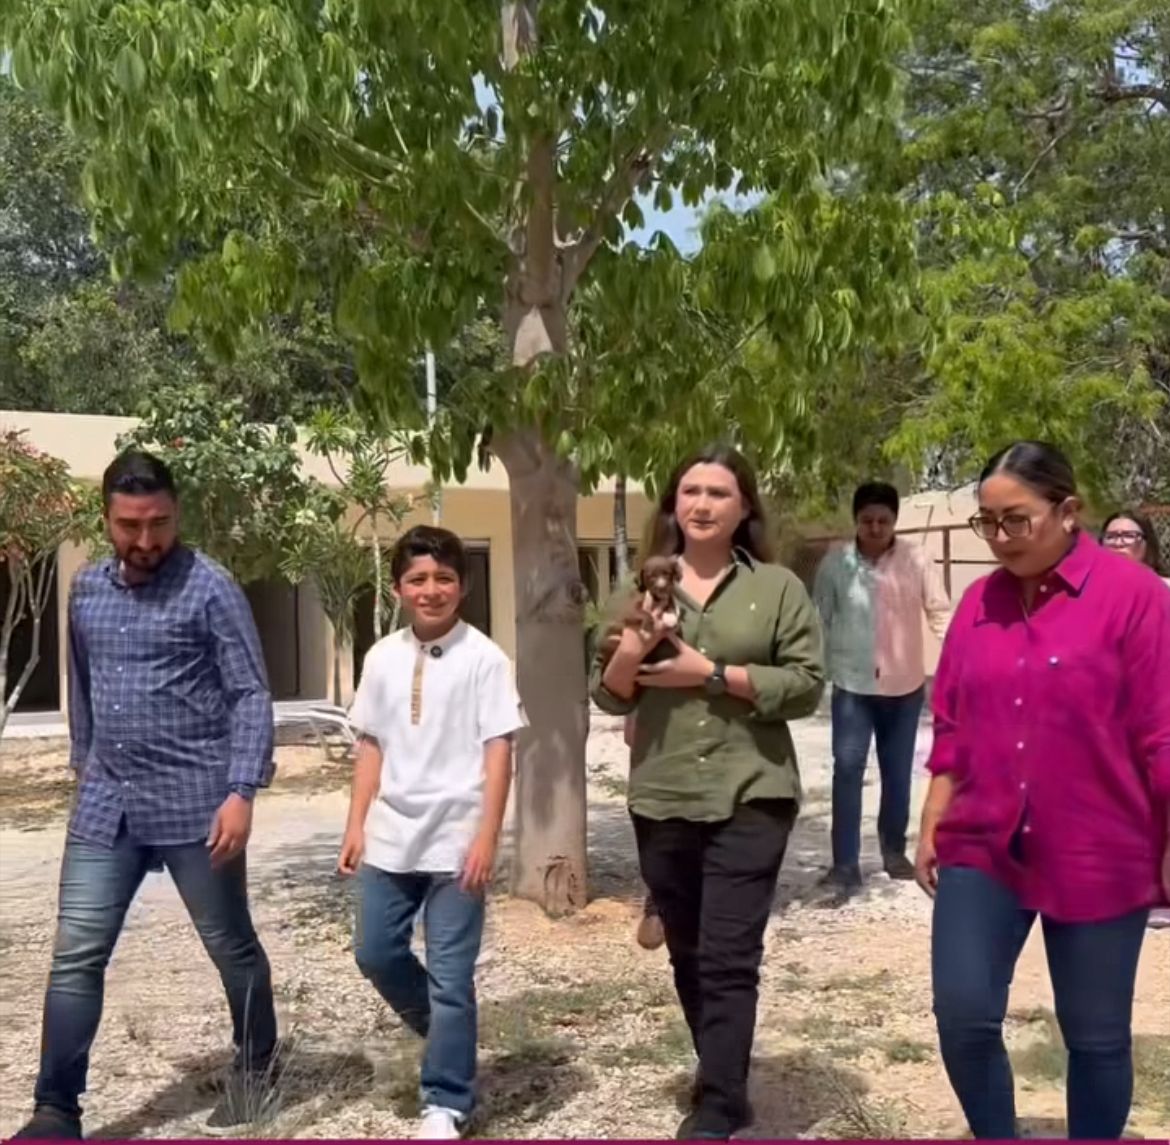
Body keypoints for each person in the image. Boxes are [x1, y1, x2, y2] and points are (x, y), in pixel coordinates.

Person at [14, 451, 278, 1140]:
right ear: (106, 518)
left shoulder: (210, 586)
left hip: (198, 803)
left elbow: (250, 691)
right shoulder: (86, 589)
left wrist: (241, 789)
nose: (145, 539)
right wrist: (82, 761)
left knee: (230, 944)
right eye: (130, 525)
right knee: (76, 952)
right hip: (108, 804)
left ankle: (256, 1067)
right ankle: (55, 1110)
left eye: (159, 523)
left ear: (176, 513)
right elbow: (84, 682)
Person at [915, 442, 1170, 1140]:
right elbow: (953, 720)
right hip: (984, 839)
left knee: (1095, 1034)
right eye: (986, 523)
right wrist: (934, 812)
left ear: (1067, 510)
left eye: (1016, 521)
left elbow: (1162, 728)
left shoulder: (1136, 598)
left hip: (1100, 845)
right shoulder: (977, 604)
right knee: (962, 1012)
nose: (999, 538)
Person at [591, 444, 825, 1140]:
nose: (701, 503)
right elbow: (607, 695)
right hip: (661, 794)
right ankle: (719, 1066)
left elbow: (807, 684)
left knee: (729, 952)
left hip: (753, 789)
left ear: (744, 507)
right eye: (689, 490)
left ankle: (721, 1100)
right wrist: (635, 644)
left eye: (718, 492)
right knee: (687, 950)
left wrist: (712, 672)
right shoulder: (635, 587)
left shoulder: (778, 587)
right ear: (673, 504)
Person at [338, 525, 525, 1140]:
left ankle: (445, 1098)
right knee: (375, 951)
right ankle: (452, 1034)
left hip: (456, 840)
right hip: (391, 835)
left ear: (462, 586)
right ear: (398, 588)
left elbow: (499, 750)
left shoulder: (485, 659)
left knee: (451, 974)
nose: (432, 589)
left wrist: (486, 837)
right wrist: (355, 824)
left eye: (444, 577)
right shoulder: (381, 657)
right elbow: (371, 745)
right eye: (418, 578)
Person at [812, 481, 952, 902]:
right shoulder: (836, 564)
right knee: (848, 770)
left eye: (884, 521)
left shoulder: (917, 559)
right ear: (855, 521)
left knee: (897, 772)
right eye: (867, 520)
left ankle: (894, 853)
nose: (875, 528)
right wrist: (811, 673)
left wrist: (958, 661)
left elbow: (939, 612)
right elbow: (818, 620)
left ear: (895, 521)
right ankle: (845, 865)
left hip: (904, 685)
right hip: (851, 685)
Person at [1101, 509, 1170, 931]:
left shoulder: (1166, 589)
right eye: (1112, 537)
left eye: (1130, 535)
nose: (1121, 543)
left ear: (1147, 544)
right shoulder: (1086, 594)